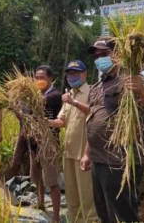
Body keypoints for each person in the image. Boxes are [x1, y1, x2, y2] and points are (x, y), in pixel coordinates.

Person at [82, 38, 144, 223]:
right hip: (98, 159)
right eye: (97, 55)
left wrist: (141, 90)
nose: (99, 58)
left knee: (122, 214)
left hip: (120, 160)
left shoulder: (130, 78)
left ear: (118, 54)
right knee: (104, 212)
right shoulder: (97, 86)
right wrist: (86, 153)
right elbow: (92, 119)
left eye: (104, 53)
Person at [49, 60, 98, 223]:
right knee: (71, 196)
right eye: (70, 74)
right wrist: (48, 122)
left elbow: (95, 114)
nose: (73, 76)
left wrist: (74, 102)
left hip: (84, 154)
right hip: (69, 152)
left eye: (76, 73)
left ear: (85, 74)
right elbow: (62, 121)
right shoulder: (68, 94)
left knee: (87, 197)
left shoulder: (92, 92)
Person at [30, 65, 62, 223]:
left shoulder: (55, 95)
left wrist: (24, 95)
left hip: (49, 142)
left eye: (42, 77)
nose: (39, 80)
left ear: (50, 79)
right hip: (35, 141)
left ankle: (55, 217)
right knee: (37, 177)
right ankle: (40, 202)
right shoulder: (36, 94)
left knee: (52, 181)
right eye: (36, 77)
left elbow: (39, 103)